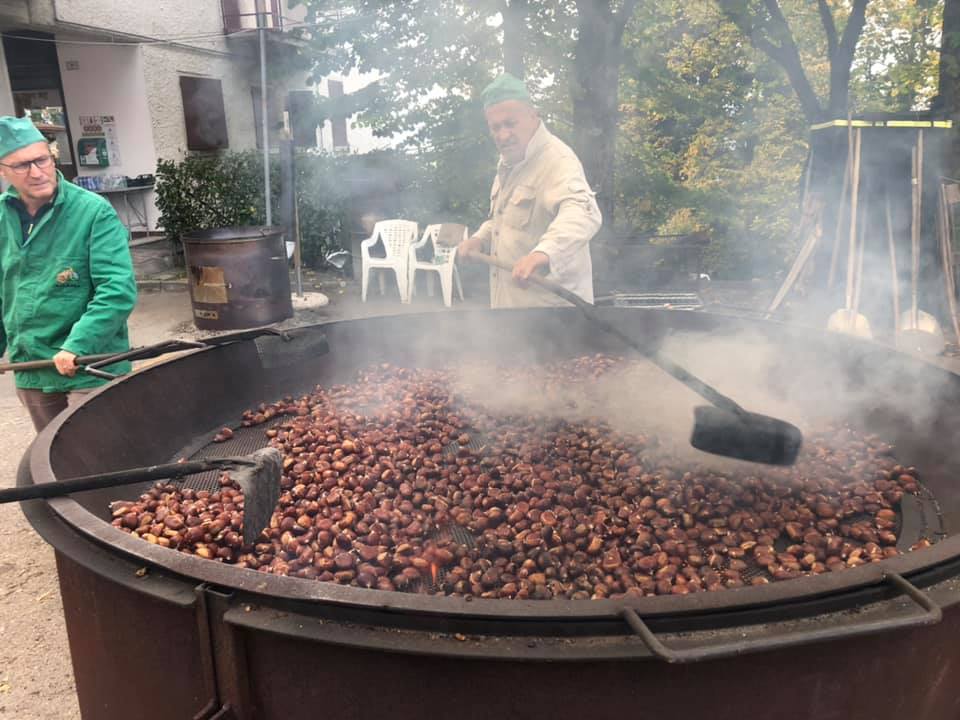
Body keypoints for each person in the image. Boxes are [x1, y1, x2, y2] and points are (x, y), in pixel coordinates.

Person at [0, 116, 137, 431]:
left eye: (42, 160)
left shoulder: (92, 212)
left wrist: (77, 345)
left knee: (94, 454)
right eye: (22, 166)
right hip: (32, 365)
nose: (37, 172)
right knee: (51, 456)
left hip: (90, 365)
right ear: (2, 170)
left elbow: (117, 290)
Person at [458, 73, 602, 308]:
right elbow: (503, 221)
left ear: (533, 115)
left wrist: (541, 254)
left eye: (510, 123)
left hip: (554, 314)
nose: (503, 135)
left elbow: (583, 214)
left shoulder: (557, 159)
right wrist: (479, 239)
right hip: (512, 311)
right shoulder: (508, 162)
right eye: (496, 127)